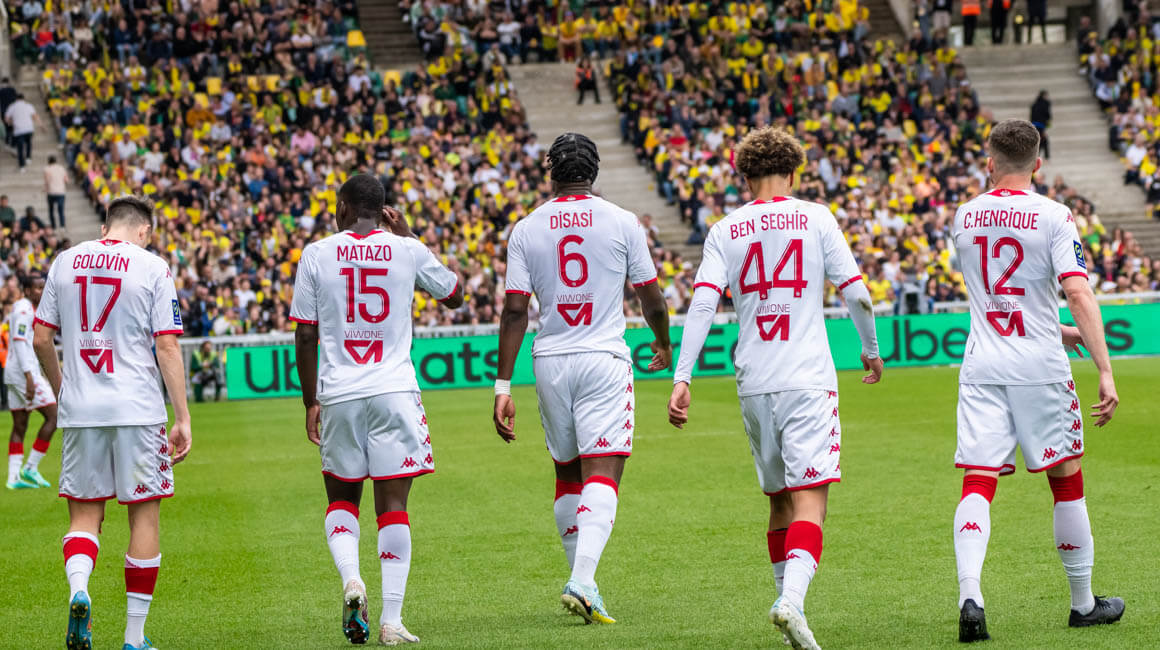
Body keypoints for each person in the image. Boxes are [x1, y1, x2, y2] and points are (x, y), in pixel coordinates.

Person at [667, 126, 883, 650]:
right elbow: (858, 294)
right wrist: (871, 348)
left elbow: (703, 303)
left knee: (779, 501)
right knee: (812, 502)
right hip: (806, 377)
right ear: (793, 171)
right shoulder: (816, 218)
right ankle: (792, 603)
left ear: (745, 176)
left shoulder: (725, 229)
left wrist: (682, 375)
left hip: (754, 380)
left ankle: (790, 613)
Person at [948, 119, 1123, 642]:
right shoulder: (1054, 215)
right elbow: (1077, 292)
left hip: (983, 364)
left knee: (978, 481)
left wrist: (1055, 327)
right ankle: (1083, 603)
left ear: (989, 162)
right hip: (1039, 367)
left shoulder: (965, 215)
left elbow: (1000, 295)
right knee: (1066, 479)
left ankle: (971, 596)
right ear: (1038, 164)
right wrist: (1105, 368)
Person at [493, 132, 672, 625]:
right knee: (603, 472)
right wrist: (663, 341)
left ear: (551, 171)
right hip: (602, 357)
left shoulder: (526, 228)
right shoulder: (621, 221)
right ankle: (583, 580)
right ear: (594, 172)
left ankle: (583, 583)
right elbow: (651, 297)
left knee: (567, 473)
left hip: (550, 359)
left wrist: (503, 386)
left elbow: (515, 311)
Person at [291, 174, 463, 646]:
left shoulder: (317, 254)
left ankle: (352, 579)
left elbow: (305, 334)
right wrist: (409, 236)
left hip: (340, 393)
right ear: (384, 210)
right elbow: (454, 295)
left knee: (341, 501)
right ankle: (391, 619)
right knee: (393, 508)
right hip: (394, 391)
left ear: (344, 207)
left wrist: (311, 401)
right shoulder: (406, 250)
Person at [32, 195, 192, 650]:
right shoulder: (152, 266)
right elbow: (167, 345)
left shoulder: (65, 262)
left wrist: (64, 388)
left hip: (82, 410)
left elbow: (41, 338)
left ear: (106, 226)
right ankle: (134, 637)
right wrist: (182, 416)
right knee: (143, 517)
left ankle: (79, 590)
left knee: (85, 515)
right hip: (137, 410)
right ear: (144, 231)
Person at [5, 274, 58, 489]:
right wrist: (29, 376)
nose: (41, 291)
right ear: (27, 290)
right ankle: (31, 467)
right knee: (54, 415)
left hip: (15, 371)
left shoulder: (27, 308)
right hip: (22, 372)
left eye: (43, 287)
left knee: (20, 424)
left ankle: (13, 478)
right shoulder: (24, 310)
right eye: (37, 288)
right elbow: (19, 343)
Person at [4, 93, 39, 172]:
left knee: (20, 148)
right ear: (24, 98)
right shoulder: (28, 106)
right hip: (29, 128)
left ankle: (22, 166)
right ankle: (28, 157)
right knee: (28, 143)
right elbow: (35, 116)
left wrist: (11, 123)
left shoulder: (12, 106)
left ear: (16, 99)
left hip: (18, 130)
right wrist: (41, 125)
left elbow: (6, 118)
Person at [45, 155, 69, 228]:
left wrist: (46, 189)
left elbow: (47, 181)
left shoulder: (47, 169)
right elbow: (66, 180)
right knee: (61, 210)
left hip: (51, 192)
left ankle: (53, 226)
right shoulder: (61, 168)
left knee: (51, 210)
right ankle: (62, 226)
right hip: (61, 192)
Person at [1030, 90, 1051, 160]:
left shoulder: (1034, 104)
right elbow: (1047, 115)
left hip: (1035, 125)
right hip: (1041, 125)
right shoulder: (1045, 104)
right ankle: (1045, 156)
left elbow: (1032, 116)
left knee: (1040, 140)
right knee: (1043, 140)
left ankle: (1041, 155)